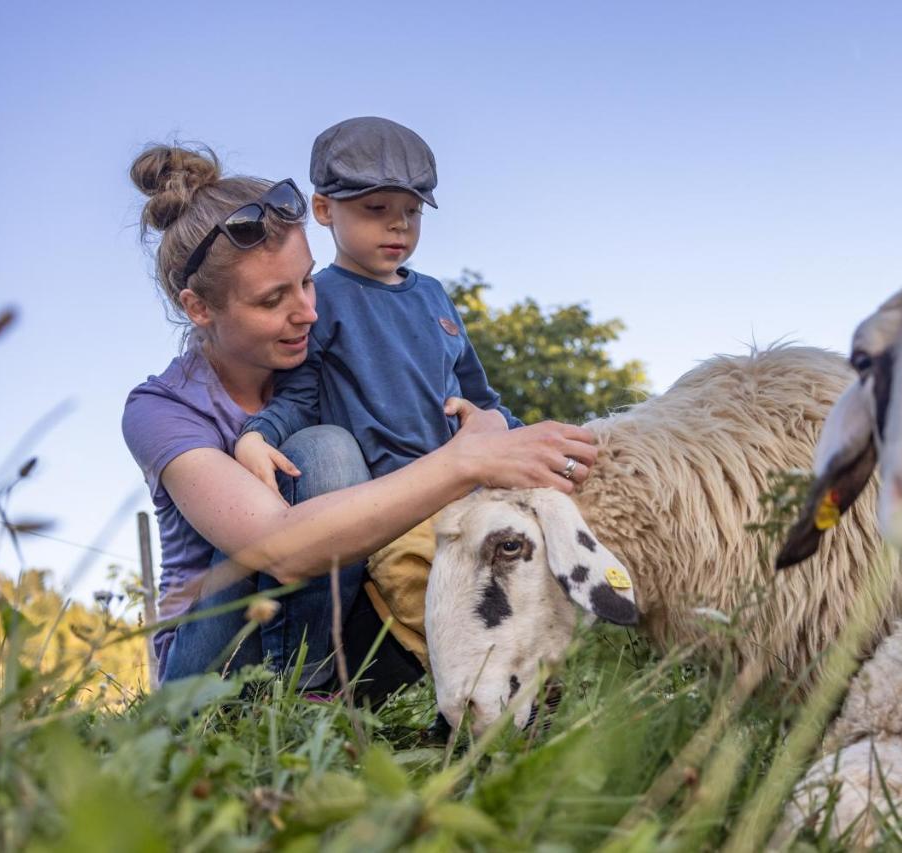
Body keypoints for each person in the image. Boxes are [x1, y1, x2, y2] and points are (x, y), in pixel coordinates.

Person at [121, 143, 595, 699]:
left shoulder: (334, 359)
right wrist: (464, 460)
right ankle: (292, 700)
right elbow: (279, 548)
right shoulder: (161, 409)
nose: (309, 312)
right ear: (199, 308)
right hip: (217, 661)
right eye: (274, 299)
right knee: (326, 450)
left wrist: (511, 439)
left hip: (341, 621)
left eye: (307, 281)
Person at [232, 117, 529, 663]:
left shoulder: (436, 297)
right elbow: (298, 398)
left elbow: (485, 403)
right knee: (440, 608)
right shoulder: (322, 299)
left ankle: (535, 687)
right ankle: (467, 693)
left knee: (528, 575)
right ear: (325, 211)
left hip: (468, 493)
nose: (399, 228)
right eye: (376, 210)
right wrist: (255, 435)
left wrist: (533, 441)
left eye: (412, 213)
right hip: (390, 508)